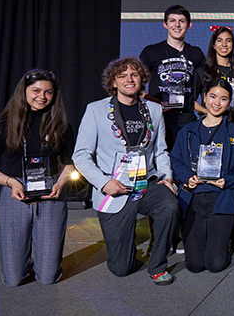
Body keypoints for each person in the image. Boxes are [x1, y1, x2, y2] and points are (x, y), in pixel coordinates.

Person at [73, 57, 179, 285]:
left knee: (169, 205)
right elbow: (80, 155)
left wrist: (167, 177)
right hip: (114, 189)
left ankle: (158, 265)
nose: (129, 80)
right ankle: (124, 251)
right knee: (121, 268)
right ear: (113, 82)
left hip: (146, 183)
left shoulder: (155, 109)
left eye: (134, 75)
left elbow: (161, 151)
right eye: (122, 76)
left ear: (142, 79)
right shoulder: (96, 110)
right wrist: (102, 183)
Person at [0, 70, 75, 287]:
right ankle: (21, 260)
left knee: (48, 278)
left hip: (51, 193)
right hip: (16, 192)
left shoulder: (61, 125)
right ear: (24, 92)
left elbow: (69, 165)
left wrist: (61, 182)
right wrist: (10, 182)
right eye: (36, 91)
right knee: (13, 280)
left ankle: (42, 261)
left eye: (48, 92)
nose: (42, 96)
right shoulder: (6, 124)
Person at [169, 78, 234, 273]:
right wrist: (187, 176)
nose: (217, 103)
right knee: (194, 265)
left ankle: (222, 246)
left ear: (229, 102)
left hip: (221, 199)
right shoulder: (187, 131)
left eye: (223, 99)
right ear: (204, 98)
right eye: (213, 97)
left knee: (215, 265)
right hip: (193, 198)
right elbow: (175, 160)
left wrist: (228, 180)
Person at [138, 5, 206, 150]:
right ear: (165, 24)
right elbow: (136, 85)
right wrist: (155, 102)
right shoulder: (151, 51)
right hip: (160, 119)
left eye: (181, 21)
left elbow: (205, 86)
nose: (177, 25)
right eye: (172, 21)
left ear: (189, 25)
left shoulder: (196, 53)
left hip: (187, 119)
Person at [198, 26, 234, 113]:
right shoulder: (204, 70)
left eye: (228, 40)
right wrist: (209, 113)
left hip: (231, 122)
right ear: (214, 45)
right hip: (210, 122)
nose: (224, 44)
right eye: (219, 40)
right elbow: (190, 100)